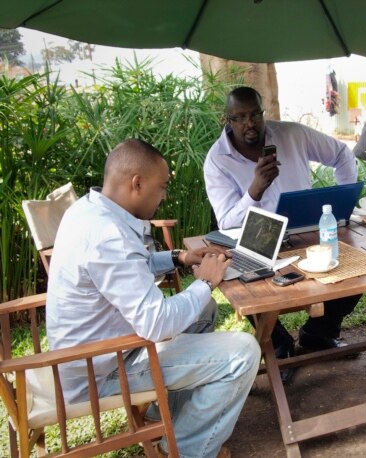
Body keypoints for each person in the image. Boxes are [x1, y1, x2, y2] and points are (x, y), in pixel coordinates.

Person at [47, 139, 260, 458]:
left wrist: (179, 258)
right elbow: (156, 324)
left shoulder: (88, 211)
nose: (163, 196)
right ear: (137, 183)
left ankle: (168, 419)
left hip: (88, 355)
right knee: (243, 352)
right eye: (161, 187)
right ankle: (186, 451)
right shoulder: (109, 236)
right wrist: (205, 282)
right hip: (99, 371)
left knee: (204, 312)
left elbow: (127, 267)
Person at [204, 86, 361, 384]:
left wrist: (343, 203)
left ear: (263, 112)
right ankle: (278, 344)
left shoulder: (292, 135)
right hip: (256, 241)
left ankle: (318, 333)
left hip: (306, 231)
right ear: (227, 119)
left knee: (356, 271)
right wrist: (255, 189)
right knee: (242, 285)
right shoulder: (217, 161)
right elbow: (226, 221)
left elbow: (342, 154)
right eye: (240, 117)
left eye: (255, 115)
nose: (249, 124)